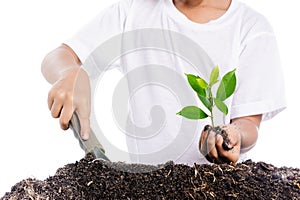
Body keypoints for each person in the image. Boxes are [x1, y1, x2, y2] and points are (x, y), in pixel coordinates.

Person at [41, 0, 286, 165]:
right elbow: (60, 56)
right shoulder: (133, 10)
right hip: (144, 185)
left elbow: (249, 123)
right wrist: (70, 73)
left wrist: (234, 136)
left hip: (217, 187)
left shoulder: (250, 28)